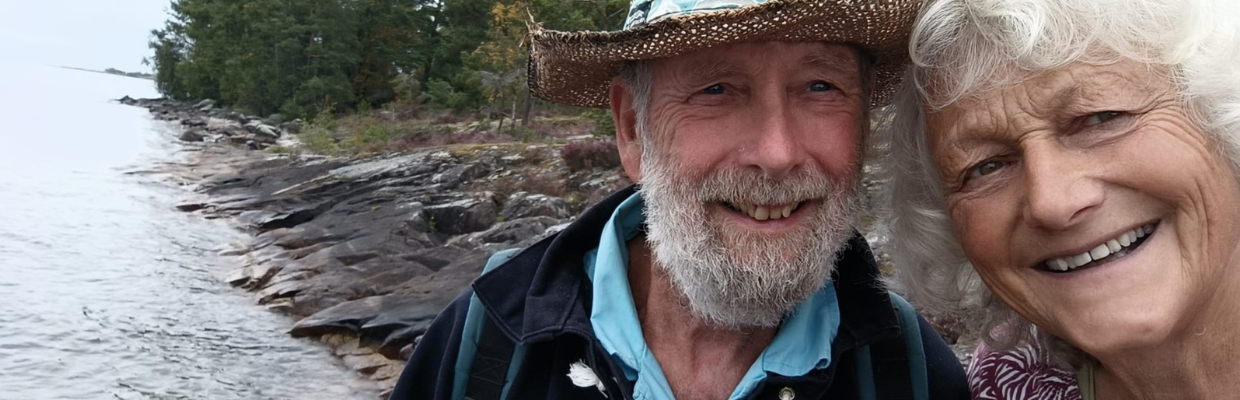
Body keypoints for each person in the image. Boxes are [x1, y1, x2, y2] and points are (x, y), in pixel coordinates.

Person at [387, 0, 970, 399]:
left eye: (821, 87)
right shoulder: (488, 340)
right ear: (632, 129)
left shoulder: (911, 373)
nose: (777, 152)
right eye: (715, 89)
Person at [882, 0, 1240, 398]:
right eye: (985, 167)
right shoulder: (1008, 380)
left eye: (1101, 118)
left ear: (1224, 119)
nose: (1051, 202)